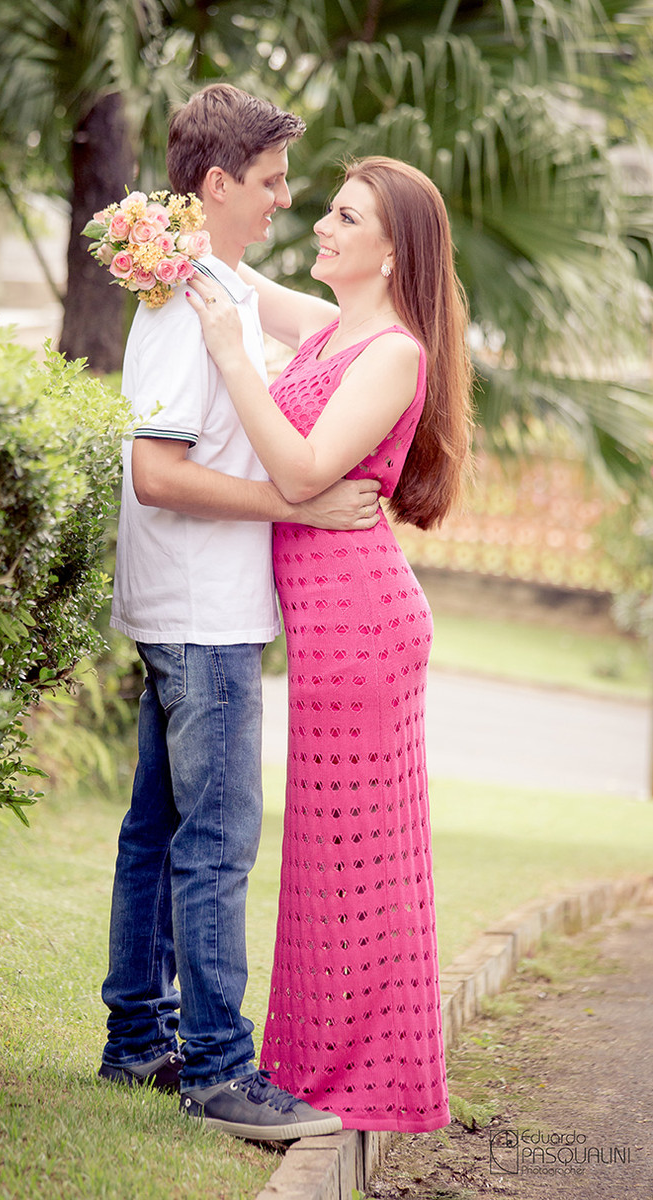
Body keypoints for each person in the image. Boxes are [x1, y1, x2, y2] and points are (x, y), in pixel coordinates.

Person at [99, 84, 382, 1141]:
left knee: (156, 832)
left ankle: (137, 1041)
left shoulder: (212, 281)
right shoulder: (191, 305)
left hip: (185, 603)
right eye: (268, 182)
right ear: (216, 184)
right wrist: (292, 502)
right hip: (202, 613)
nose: (283, 200)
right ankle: (219, 1071)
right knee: (215, 844)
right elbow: (157, 474)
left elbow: (335, 325)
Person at [185, 155, 474, 1132]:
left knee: (352, 864)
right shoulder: (327, 329)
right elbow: (231, 278)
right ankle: (318, 1068)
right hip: (327, 626)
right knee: (326, 862)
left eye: (345, 218)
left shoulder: (392, 352)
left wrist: (232, 359)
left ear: (391, 253)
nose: (319, 224)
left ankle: (358, 1079)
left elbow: (304, 473)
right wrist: (161, 234)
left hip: (360, 628)